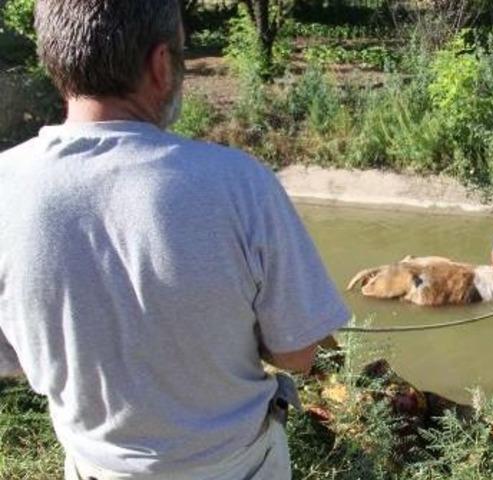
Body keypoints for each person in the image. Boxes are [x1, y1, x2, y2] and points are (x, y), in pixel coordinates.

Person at [0, 1, 351, 478]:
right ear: (161, 65)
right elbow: (299, 353)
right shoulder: (239, 184)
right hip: (239, 468)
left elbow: (11, 359)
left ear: (55, 60)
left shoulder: (5, 186)